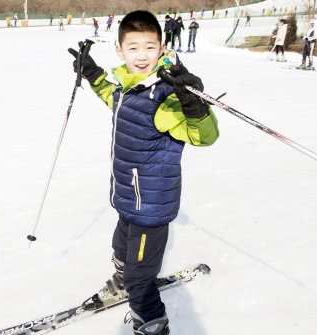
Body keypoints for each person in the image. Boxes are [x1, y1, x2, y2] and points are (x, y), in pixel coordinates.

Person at [67, 10, 219, 335]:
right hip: (127, 199)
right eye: (133, 47)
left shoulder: (166, 96)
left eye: (149, 47)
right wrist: (92, 72)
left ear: (162, 48)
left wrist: (193, 104)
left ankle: (151, 324)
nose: (141, 55)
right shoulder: (126, 87)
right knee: (120, 249)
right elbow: (111, 95)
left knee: (140, 278)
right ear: (120, 50)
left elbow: (204, 136)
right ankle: (124, 282)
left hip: (150, 208)